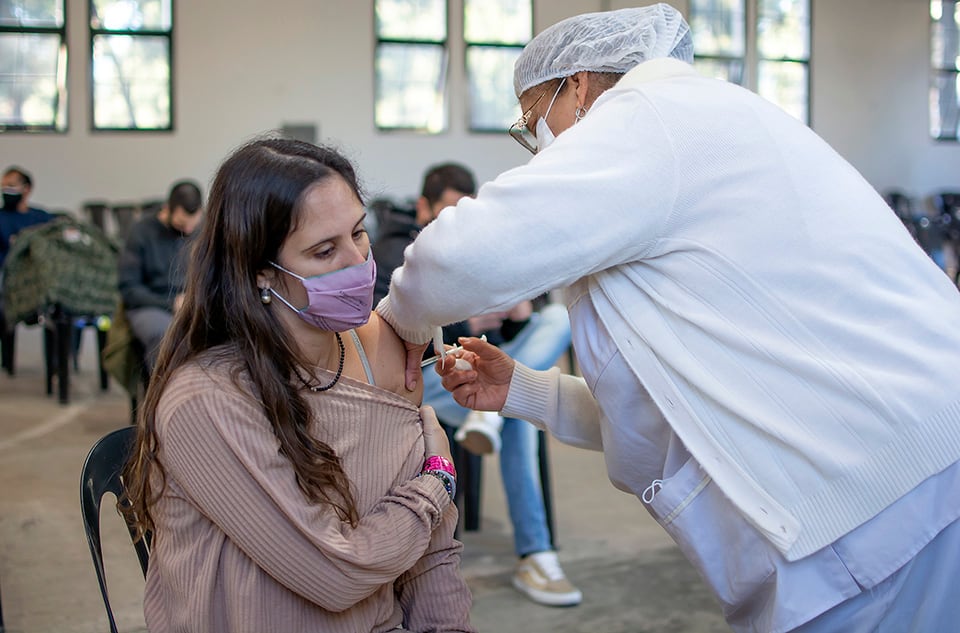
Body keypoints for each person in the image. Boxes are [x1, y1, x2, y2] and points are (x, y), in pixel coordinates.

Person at [375, 5, 960, 632]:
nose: (534, 143)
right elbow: (673, 408)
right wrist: (522, 389)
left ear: (576, 85)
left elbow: (454, 259)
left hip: (873, 507)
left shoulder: (648, 117)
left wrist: (399, 327)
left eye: (530, 120)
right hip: (893, 481)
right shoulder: (703, 129)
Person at [119, 138, 475, 633]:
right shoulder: (207, 400)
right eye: (324, 250)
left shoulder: (385, 355)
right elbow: (335, 574)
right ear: (261, 272)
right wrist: (437, 479)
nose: (356, 263)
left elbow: (429, 557)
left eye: (359, 233)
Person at [372, 162, 582, 607]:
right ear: (424, 206)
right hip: (433, 376)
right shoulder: (396, 249)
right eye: (445, 212)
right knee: (518, 420)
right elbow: (386, 326)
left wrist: (523, 308)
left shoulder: (480, 242)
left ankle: (493, 410)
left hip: (488, 369)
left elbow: (527, 291)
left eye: (462, 213)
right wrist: (470, 320)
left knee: (557, 318)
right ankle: (537, 556)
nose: (453, 224)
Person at [117, 180, 203, 374]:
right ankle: (164, 397)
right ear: (167, 209)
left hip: (193, 302)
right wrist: (171, 303)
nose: (188, 231)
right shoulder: (141, 232)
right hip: (151, 304)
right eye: (181, 224)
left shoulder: (203, 229)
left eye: (193, 225)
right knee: (164, 335)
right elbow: (129, 288)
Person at [1, 166, 54, 374]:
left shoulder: (41, 217)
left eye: (11, 185)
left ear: (26, 189)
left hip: (39, 278)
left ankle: (60, 364)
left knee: (62, 305)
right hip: (7, 277)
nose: (5, 190)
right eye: (3, 186)